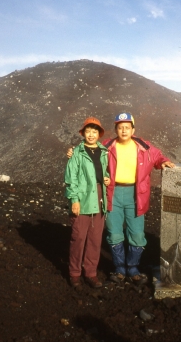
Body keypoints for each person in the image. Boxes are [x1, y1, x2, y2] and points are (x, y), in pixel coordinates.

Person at [68, 112, 175, 286]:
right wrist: (73, 150)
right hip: (112, 193)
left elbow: (157, 157)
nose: (124, 130)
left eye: (127, 127)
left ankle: (132, 268)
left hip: (136, 194)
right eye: (120, 127)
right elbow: (89, 148)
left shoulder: (144, 147)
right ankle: (119, 268)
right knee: (114, 233)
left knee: (137, 234)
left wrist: (164, 161)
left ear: (133, 129)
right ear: (116, 129)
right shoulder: (107, 146)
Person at [64, 117, 111, 288]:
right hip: (82, 198)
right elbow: (71, 179)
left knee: (95, 239)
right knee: (78, 238)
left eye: (94, 131)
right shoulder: (77, 152)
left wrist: (107, 178)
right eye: (88, 131)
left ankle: (91, 273)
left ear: (99, 134)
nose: (91, 135)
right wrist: (74, 200)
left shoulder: (104, 151)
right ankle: (74, 273)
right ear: (83, 133)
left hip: (99, 198)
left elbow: (106, 171)